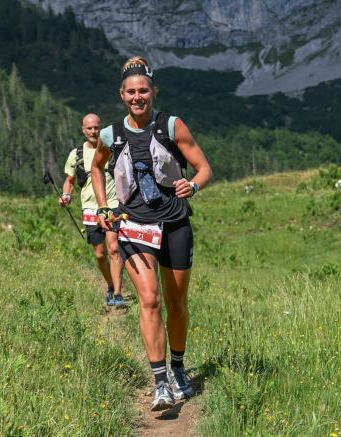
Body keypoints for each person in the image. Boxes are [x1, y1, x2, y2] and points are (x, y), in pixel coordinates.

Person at [91, 57, 212, 411]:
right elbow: (96, 168)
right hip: (134, 226)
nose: (137, 97)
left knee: (176, 304)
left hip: (174, 223)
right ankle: (160, 382)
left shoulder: (171, 126)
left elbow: (204, 168)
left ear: (153, 92)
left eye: (143, 90)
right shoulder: (111, 135)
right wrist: (103, 206)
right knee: (150, 299)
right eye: (131, 92)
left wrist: (192, 185)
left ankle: (177, 367)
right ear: (121, 94)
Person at [60, 113, 126, 308]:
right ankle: (110, 284)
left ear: (101, 128)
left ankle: (118, 293)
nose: (93, 131)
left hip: (112, 203)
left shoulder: (110, 149)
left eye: (96, 128)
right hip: (89, 207)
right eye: (89, 128)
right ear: (83, 130)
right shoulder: (76, 154)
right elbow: (69, 181)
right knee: (99, 254)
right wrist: (66, 195)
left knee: (113, 247)